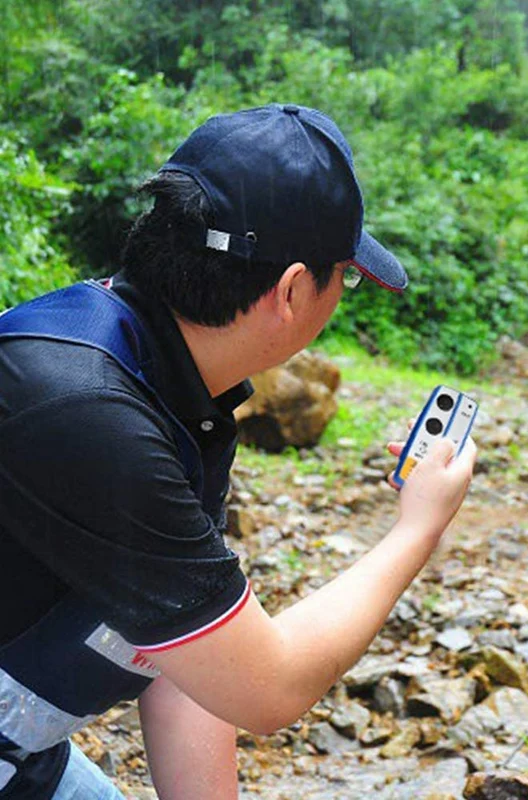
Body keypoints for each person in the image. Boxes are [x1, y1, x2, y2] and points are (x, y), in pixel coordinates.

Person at [0, 103, 477, 799]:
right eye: (343, 275)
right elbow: (266, 687)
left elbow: (191, 657)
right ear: (290, 291)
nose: (341, 294)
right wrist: (418, 528)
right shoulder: (84, 411)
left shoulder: (177, 390)